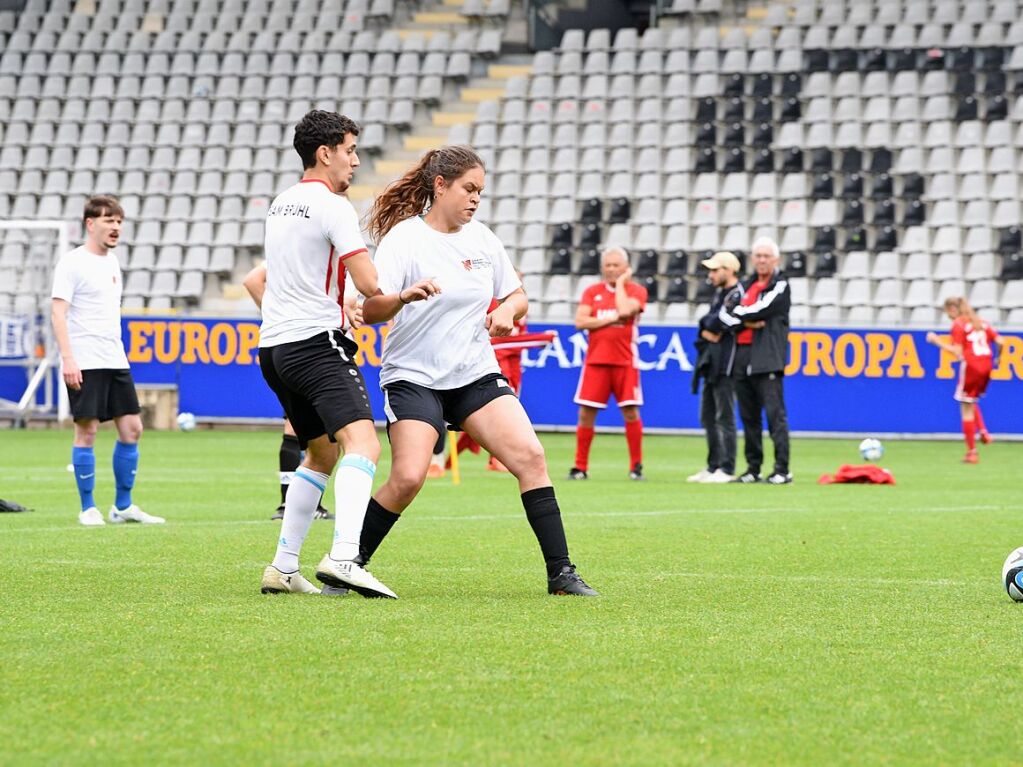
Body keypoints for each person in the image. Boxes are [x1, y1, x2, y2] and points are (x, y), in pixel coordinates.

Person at [359, 144, 597, 597]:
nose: (474, 199)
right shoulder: (404, 240)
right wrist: (403, 297)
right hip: (413, 376)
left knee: (531, 459)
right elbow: (371, 310)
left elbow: (519, 295)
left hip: (473, 374)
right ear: (440, 185)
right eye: (468, 189)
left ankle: (561, 573)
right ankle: (351, 562)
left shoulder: (484, 239)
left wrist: (509, 308)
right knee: (408, 476)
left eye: (480, 193)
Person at [256, 109, 399, 598]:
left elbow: (296, 276)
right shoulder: (334, 205)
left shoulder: (281, 203)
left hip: (274, 347)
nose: (356, 161)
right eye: (351, 150)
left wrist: (346, 300)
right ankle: (344, 556)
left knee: (320, 451)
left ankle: (282, 565)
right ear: (326, 153)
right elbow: (369, 283)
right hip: (318, 343)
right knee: (365, 445)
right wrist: (402, 293)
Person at [51, 195, 164, 526]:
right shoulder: (72, 263)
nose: (116, 227)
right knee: (86, 432)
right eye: (108, 221)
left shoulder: (112, 262)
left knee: (133, 429)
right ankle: (88, 508)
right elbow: (59, 313)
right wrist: (68, 359)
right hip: (84, 359)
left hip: (115, 358)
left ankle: (123, 506)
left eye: (118, 221)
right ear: (90, 224)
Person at [243, 261, 360, 520]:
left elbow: (252, 279)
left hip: (287, 344)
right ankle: (307, 507)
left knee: (300, 431)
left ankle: (288, 504)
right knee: (349, 440)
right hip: (315, 349)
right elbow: (253, 279)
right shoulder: (313, 252)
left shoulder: (294, 250)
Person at [717, 236, 792, 485]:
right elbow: (724, 315)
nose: (761, 260)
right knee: (748, 417)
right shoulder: (746, 285)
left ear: (776, 260)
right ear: (751, 259)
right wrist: (747, 320)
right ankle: (753, 468)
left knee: (774, 416)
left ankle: (782, 469)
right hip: (742, 355)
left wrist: (743, 315)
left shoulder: (780, 285)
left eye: (766, 256)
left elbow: (761, 309)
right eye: (758, 256)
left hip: (767, 357)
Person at [568, 247, 647, 481]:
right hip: (596, 362)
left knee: (630, 412)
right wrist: (611, 319)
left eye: (616, 265)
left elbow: (625, 309)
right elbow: (580, 321)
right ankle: (580, 467)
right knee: (585, 414)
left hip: (625, 362)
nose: (611, 269)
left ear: (625, 268)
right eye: (608, 265)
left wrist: (621, 284)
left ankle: (636, 466)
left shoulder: (637, 290)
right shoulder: (592, 292)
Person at [689, 251, 744, 484]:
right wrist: (708, 326)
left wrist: (709, 326)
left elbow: (719, 322)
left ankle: (727, 466)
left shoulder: (737, 294)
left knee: (725, 416)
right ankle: (713, 465)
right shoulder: (720, 294)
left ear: (728, 270)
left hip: (727, 363)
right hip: (712, 363)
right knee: (708, 416)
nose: (710, 275)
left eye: (715, 270)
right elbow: (705, 325)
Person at [926, 296, 1000, 463]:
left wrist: (936, 341)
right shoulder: (980, 322)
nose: (948, 317)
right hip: (987, 365)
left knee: (965, 407)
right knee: (970, 400)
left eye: (947, 313)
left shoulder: (958, 324)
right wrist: (999, 358)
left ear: (952, 309)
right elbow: (1000, 341)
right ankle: (983, 432)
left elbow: (958, 352)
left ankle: (972, 452)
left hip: (971, 366)